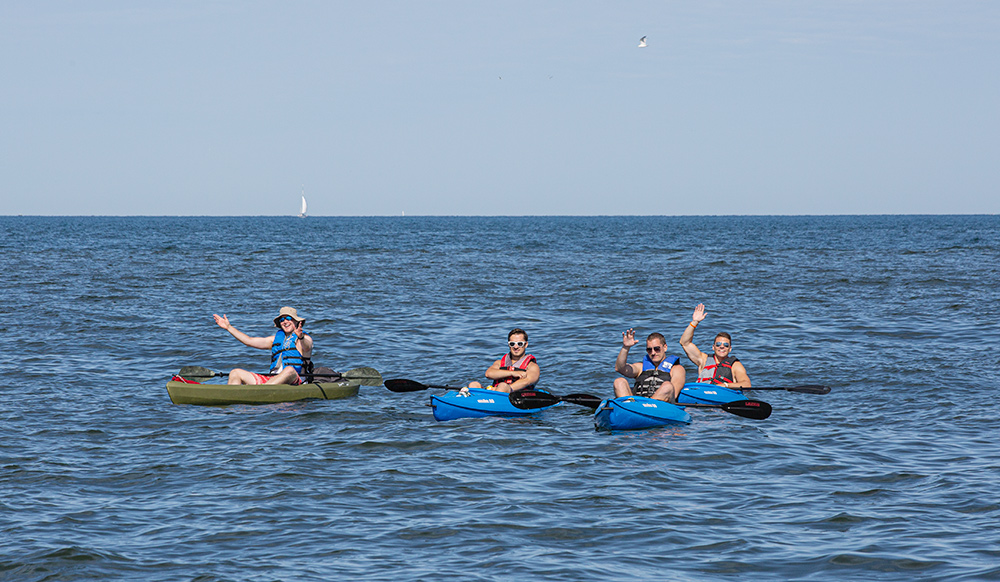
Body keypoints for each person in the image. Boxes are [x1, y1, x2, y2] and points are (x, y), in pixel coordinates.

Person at [212, 307, 314, 385]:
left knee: (289, 370)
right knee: (235, 373)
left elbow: (307, 346)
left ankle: (261, 390)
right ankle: (232, 398)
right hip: (273, 380)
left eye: (288, 318)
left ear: (296, 321)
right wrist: (229, 328)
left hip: (295, 379)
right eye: (282, 320)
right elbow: (249, 341)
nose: (285, 321)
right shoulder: (274, 339)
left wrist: (300, 337)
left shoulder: (304, 338)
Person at [679, 303, 751, 388]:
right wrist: (695, 322)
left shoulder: (735, 365)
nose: (722, 346)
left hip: (721, 395)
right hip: (701, 394)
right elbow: (685, 343)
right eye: (718, 344)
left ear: (730, 349)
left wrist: (725, 385)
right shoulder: (703, 360)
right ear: (713, 347)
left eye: (726, 345)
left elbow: (747, 385)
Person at [613, 329, 686, 402]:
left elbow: (674, 393)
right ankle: (629, 407)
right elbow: (620, 368)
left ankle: (646, 407)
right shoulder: (640, 368)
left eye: (656, 349)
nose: (653, 353)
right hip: (637, 405)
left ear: (665, 347)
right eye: (649, 350)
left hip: (661, 406)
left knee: (668, 386)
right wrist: (625, 348)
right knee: (619, 381)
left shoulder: (677, 369)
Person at [466, 328, 540, 394]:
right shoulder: (499, 363)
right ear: (509, 345)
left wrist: (505, 389)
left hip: (515, 397)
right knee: (473, 384)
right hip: (495, 391)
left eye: (520, 344)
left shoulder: (532, 366)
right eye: (512, 344)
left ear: (526, 344)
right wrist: (512, 373)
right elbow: (488, 374)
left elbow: (527, 381)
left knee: (502, 386)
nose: (516, 347)